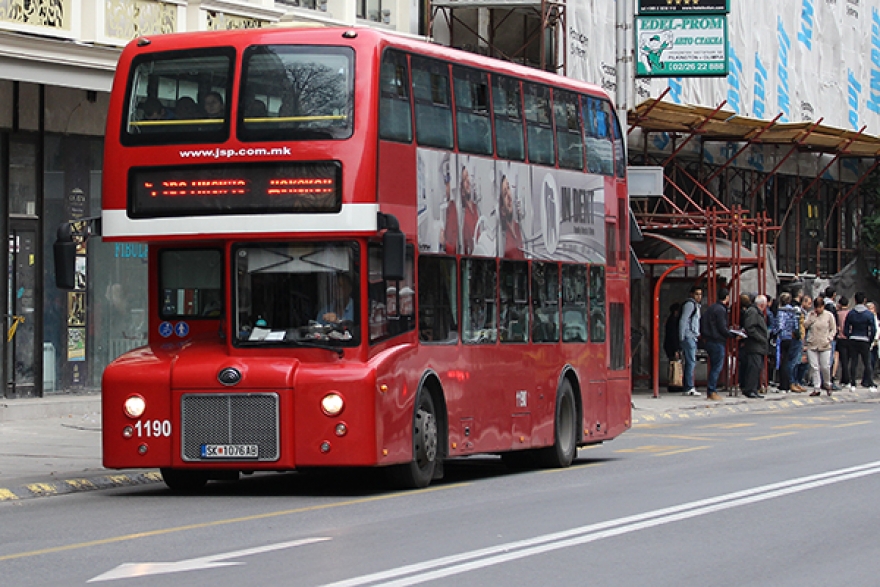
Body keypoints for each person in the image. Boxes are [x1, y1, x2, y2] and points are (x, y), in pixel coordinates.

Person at [701, 288, 734, 401]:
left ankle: (711, 389)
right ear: (727, 298)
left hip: (709, 340)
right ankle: (712, 390)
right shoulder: (721, 310)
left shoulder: (711, 308)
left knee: (714, 366)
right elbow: (722, 328)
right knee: (717, 367)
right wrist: (732, 335)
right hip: (717, 341)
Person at [843, 291, 877, 391]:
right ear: (864, 300)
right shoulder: (868, 314)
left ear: (855, 300)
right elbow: (873, 329)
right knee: (867, 362)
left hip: (853, 338)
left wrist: (849, 336)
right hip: (864, 339)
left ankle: (852, 383)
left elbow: (846, 327)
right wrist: (870, 339)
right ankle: (870, 383)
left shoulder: (851, 313)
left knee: (854, 362)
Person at [804, 296, 836, 396]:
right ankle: (816, 387)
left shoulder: (829, 315)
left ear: (823, 306)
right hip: (812, 343)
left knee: (825, 366)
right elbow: (805, 325)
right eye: (816, 307)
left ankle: (827, 384)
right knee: (814, 367)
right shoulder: (811, 314)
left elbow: (833, 329)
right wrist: (812, 318)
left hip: (825, 344)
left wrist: (829, 338)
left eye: (820, 307)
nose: (818, 309)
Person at [741, 293, 769, 399]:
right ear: (762, 305)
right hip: (754, 345)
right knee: (753, 367)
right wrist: (761, 338)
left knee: (757, 367)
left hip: (758, 346)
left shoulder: (756, 312)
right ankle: (750, 389)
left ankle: (753, 389)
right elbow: (750, 327)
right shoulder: (753, 312)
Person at [678, 285, 703, 396]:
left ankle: (689, 386)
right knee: (691, 362)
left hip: (692, 336)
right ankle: (689, 386)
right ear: (691, 294)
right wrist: (682, 336)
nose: (699, 296)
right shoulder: (690, 305)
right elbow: (683, 320)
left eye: (700, 294)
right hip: (689, 336)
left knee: (690, 362)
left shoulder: (696, 305)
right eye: (697, 294)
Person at [774, 292, 800, 393]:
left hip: (782, 338)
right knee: (788, 361)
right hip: (790, 337)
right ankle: (788, 384)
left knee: (782, 362)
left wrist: (774, 332)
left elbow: (780, 326)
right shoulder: (793, 311)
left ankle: (783, 385)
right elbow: (796, 326)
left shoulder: (781, 312)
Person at [499, 175, 524, 259]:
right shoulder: (504, 239)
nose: (509, 196)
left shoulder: (518, 227)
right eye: (505, 194)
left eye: (508, 188)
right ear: (502, 210)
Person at [460, 166, 479, 255]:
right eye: (464, 179)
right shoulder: (463, 212)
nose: (468, 181)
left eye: (468, 177)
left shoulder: (475, 207)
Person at [834, 295, 851, 388]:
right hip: (849, 337)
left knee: (843, 360)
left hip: (840, 338)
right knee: (848, 359)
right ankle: (846, 379)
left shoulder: (837, 314)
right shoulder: (850, 313)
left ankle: (844, 379)